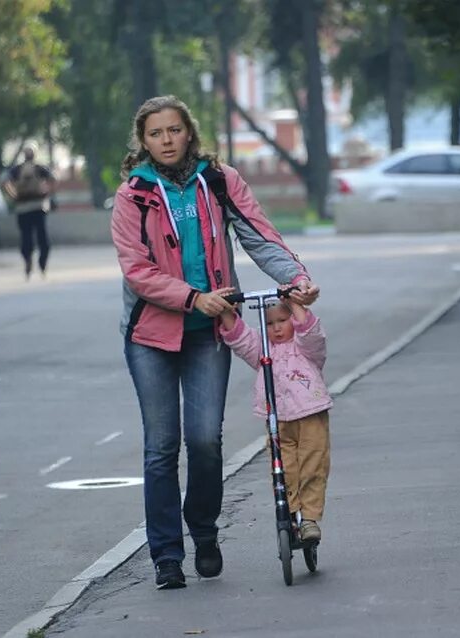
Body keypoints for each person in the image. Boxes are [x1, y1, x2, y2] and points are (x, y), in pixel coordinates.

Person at [111, 95, 320, 590]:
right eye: (156, 133)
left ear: (189, 133)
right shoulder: (133, 195)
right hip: (149, 336)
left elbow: (257, 234)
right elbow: (136, 270)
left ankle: (204, 532)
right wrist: (192, 297)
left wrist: (297, 278)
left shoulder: (219, 179)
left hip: (212, 331)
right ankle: (166, 556)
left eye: (174, 130)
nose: (166, 140)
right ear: (143, 140)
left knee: (205, 441)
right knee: (161, 447)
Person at [218, 299, 333, 543]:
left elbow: (311, 332)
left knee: (313, 465)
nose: (277, 328)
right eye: (269, 324)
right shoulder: (264, 350)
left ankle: (309, 518)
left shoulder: (305, 347)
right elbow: (240, 339)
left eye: (282, 320)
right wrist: (226, 310)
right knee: (283, 470)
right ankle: (290, 514)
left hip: (310, 413)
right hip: (277, 419)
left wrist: (295, 301)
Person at [2, 146, 55, 279]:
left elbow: (4, 181)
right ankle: (42, 265)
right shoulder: (39, 168)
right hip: (39, 207)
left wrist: (13, 196)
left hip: (22, 208)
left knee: (26, 238)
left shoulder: (17, 170)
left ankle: (28, 261)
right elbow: (53, 179)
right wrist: (46, 192)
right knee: (42, 238)